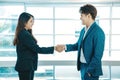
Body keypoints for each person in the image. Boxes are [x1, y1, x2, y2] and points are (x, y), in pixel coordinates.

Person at [57, 4, 105, 80]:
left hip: (91, 69)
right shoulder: (83, 30)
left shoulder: (98, 32)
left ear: (89, 16)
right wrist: (64, 47)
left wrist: (90, 70)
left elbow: (98, 55)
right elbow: (78, 45)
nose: (80, 18)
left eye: (82, 15)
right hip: (82, 66)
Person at [13, 12, 62, 80]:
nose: (33, 23)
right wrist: (54, 48)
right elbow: (37, 49)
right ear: (24, 22)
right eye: (31, 21)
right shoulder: (24, 34)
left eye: (33, 21)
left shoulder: (24, 33)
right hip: (25, 67)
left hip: (27, 66)